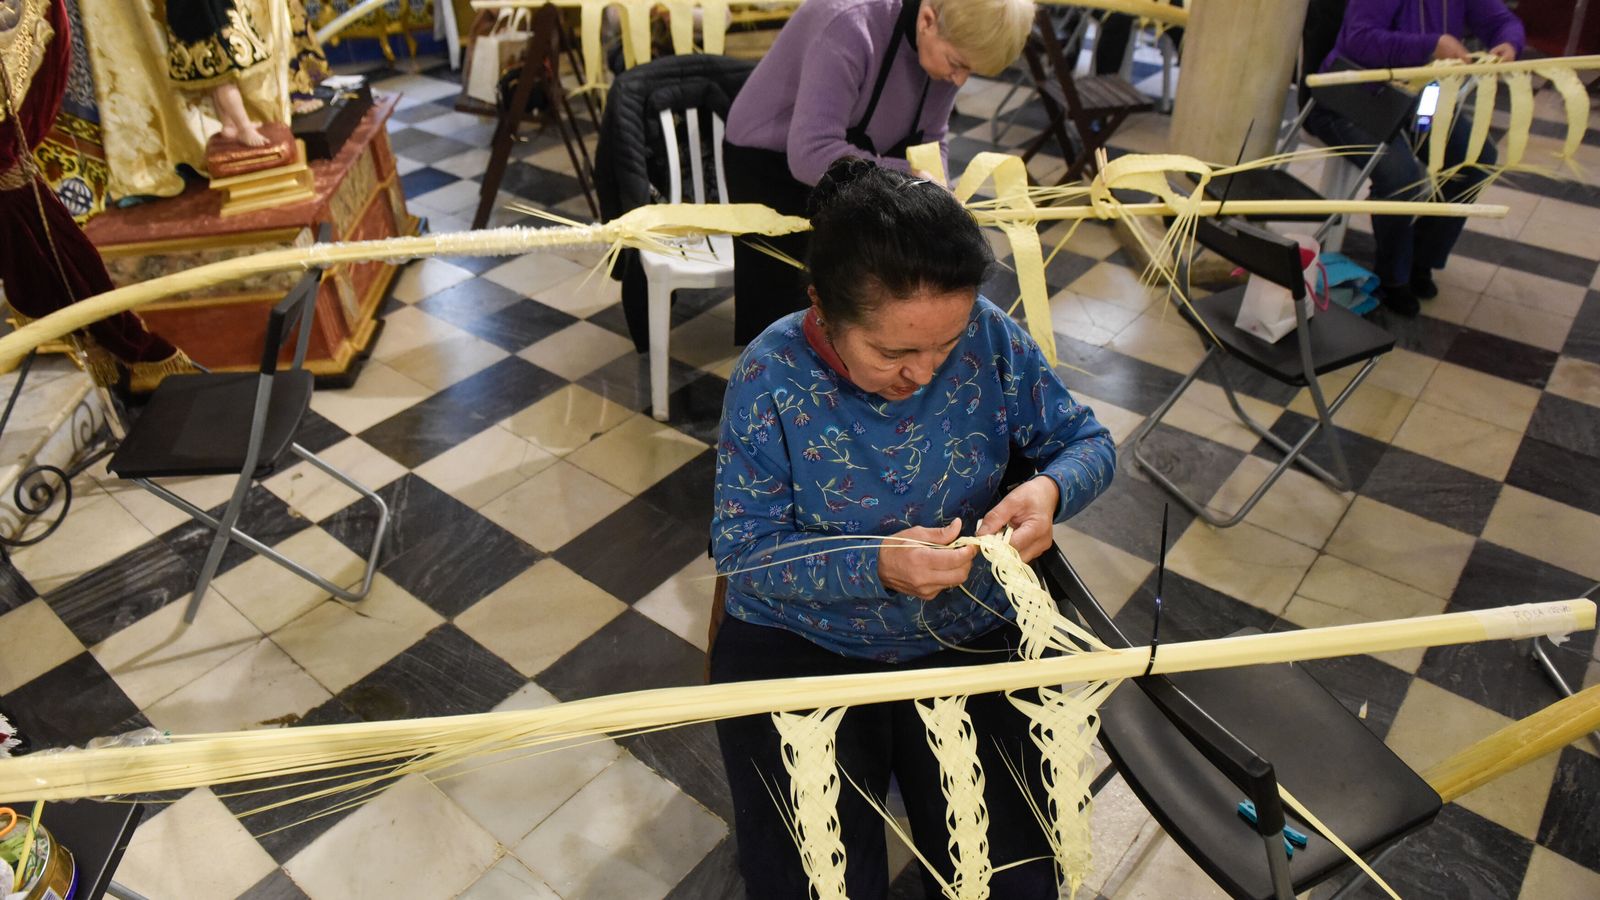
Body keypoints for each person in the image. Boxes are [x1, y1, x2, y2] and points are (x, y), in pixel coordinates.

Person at [708, 157, 1116, 899]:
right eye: (893, 353)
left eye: (945, 346)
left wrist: (1049, 490)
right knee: (817, 884)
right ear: (823, 311)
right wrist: (877, 566)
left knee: (1014, 883)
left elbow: (1088, 441)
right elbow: (743, 553)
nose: (925, 373)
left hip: (966, 634)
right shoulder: (770, 375)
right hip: (804, 643)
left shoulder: (989, 337)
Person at [723, 0, 1035, 344]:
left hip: (857, 164)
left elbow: (931, 138)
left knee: (858, 307)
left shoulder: (946, 43)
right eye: (957, 64)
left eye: (970, 72)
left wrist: (939, 189)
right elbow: (811, 152)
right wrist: (912, 180)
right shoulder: (847, 25)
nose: (959, 79)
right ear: (928, 19)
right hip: (773, 164)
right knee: (792, 319)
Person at [1305, 0, 1524, 317]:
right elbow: (1359, 40)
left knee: (1476, 159)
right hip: (1354, 95)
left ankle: (1420, 259)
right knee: (1401, 177)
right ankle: (1393, 277)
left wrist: (1508, 42)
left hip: (1422, 98)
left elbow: (1502, 21)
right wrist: (1431, 45)